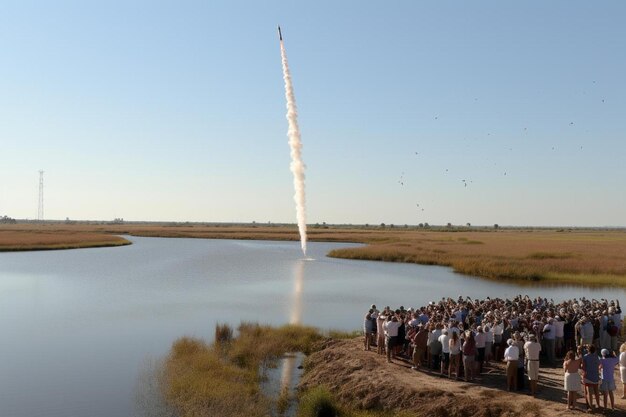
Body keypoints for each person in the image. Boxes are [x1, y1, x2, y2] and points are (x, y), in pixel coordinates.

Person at [581, 344, 601, 411]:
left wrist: (582, 375)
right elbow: (599, 364)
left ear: (588, 350)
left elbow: (583, 367)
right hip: (595, 376)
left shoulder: (585, 357)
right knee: (596, 391)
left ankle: (591, 406)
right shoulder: (596, 357)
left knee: (589, 393)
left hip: (588, 376)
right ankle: (598, 405)